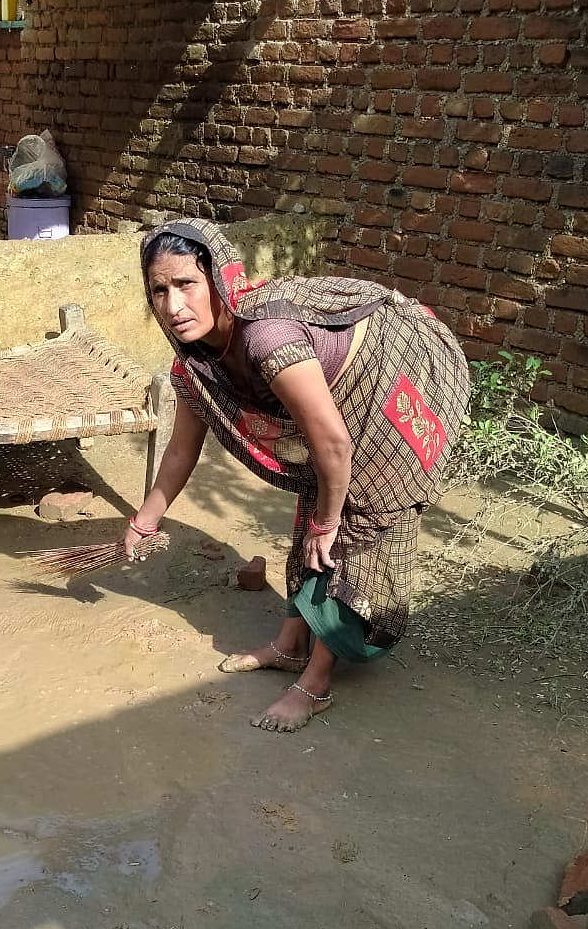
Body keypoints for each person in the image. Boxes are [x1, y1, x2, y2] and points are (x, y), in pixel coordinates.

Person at [126, 219, 471, 733]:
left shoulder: (269, 337)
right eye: (159, 289)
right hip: (337, 415)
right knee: (314, 509)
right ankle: (290, 645)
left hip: (390, 386)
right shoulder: (195, 361)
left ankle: (315, 684)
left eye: (187, 284)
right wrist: (145, 520)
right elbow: (182, 447)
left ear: (219, 280)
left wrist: (329, 521)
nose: (173, 306)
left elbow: (333, 443)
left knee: (354, 530)